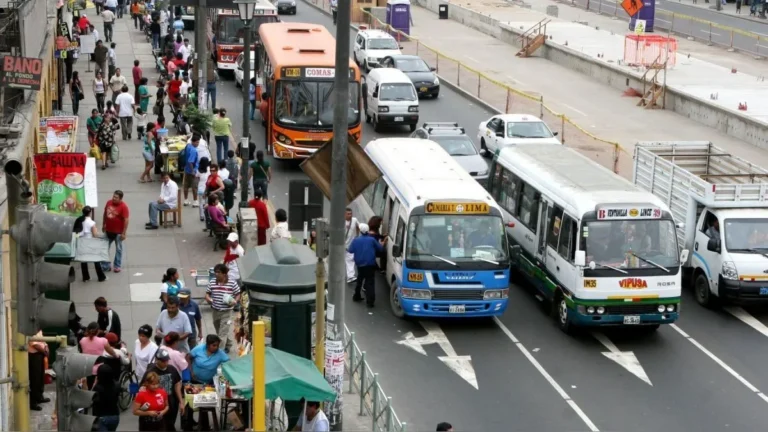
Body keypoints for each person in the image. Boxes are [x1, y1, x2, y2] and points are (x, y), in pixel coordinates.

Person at [141, 349, 183, 431]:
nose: (166, 363)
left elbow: (177, 385)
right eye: (163, 361)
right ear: (157, 360)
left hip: (171, 404)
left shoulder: (172, 369)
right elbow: (143, 387)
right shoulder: (150, 372)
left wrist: (181, 401)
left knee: (170, 424)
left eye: (167, 360)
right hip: (156, 407)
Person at [205, 264, 240, 353]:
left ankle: (219, 353)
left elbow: (238, 294)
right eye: (215, 272)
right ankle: (228, 344)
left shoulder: (232, 283)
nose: (216, 274)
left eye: (218, 272)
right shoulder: (212, 282)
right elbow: (207, 294)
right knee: (219, 330)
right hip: (215, 310)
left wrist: (235, 301)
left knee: (222, 333)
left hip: (227, 312)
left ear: (224, 274)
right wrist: (208, 299)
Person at [348, 223, 385, 307]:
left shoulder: (356, 240)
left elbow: (350, 250)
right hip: (370, 264)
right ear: (367, 231)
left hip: (360, 264)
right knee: (370, 282)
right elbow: (380, 249)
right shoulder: (371, 240)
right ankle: (370, 301)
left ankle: (357, 295)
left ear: (360, 231)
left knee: (359, 279)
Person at [73, 206, 108, 282]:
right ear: (90, 213)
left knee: (84, 260)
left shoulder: (79, 220)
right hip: (90, 242)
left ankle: (86, 277)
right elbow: (95, 234)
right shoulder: (91, 223)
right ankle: (101, 277)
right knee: (96, 259)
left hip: (81, 241)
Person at [102, 190, 129, 273]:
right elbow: (105, 214)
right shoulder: (108, 202)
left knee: (119, 249)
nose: (114, 198)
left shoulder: (124, 207)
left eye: (116, 197)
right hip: (108, 230)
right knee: (104, 248)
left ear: (120, 199)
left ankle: (117, 266)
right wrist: (104, 224)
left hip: (118, 233)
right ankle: (106, 265)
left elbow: (126, 220)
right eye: (113, 196)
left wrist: (124, 233)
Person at [92, 364, 121, 431]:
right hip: (115, 416)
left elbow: (91, 399)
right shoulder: (117, 385)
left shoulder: (98, 388)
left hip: (102, 417)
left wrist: (94, 384)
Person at [27, 332, 49, 411]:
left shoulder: (38, 329)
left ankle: (39, 397)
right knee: (35, 378)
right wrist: (44, 351)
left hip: (41, 355)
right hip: (34, 356)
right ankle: (33, 402)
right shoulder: (29, 330)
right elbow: (34, 344)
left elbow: (43, 341)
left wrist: (46, 347)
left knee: (40, 377)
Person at [181, 133, 200, 207]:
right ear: (193, 141)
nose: (198, 144)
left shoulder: (188, 146)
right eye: (197, 142)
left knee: (186, 185)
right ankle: (195, 201)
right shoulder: (193, 150)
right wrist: (193, 171)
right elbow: (190, 161)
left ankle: (186, 200)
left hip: (186, 169)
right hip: (193, 170)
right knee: (194, 186)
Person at [344, 208, 360, 283]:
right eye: (348, 214)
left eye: (351, 213)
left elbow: (358, 227)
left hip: (351, 244)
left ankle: (350, 276)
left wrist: (357, 236)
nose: (350, 215)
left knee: (350, 259)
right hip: (342, 245)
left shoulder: (354, 220)